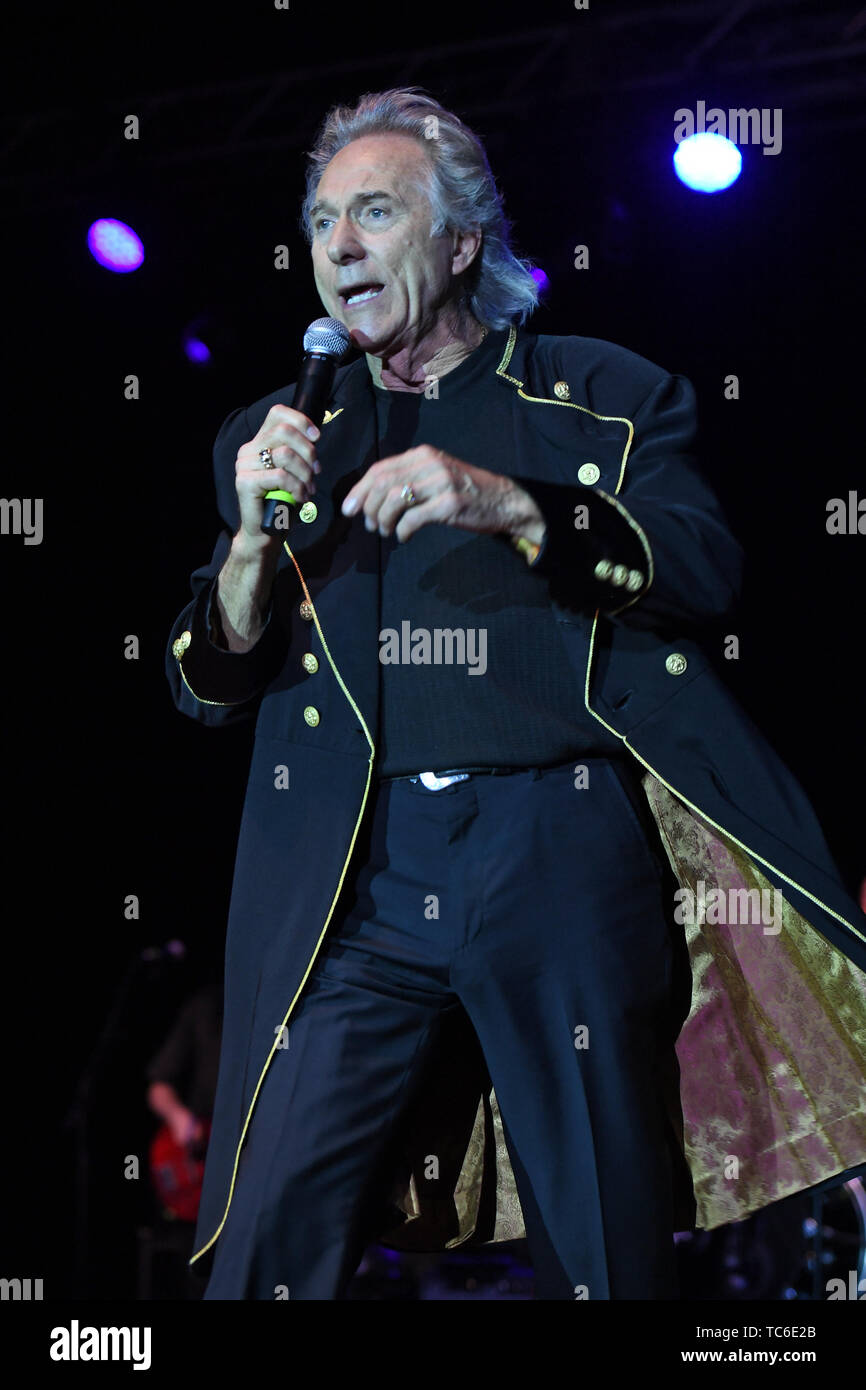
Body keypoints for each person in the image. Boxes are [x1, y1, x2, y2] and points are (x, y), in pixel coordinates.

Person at [166, 88, 866, 1300]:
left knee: (603, 1228)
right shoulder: (285, 433)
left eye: (372, 212)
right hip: (360, 872)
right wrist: (243, 553)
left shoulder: (596, 392)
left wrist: (513, 504)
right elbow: (204, 686)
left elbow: (702, 566)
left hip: (556, 845)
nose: (336, 247)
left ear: (460, 240)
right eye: (321, 220)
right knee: (267, 1225)